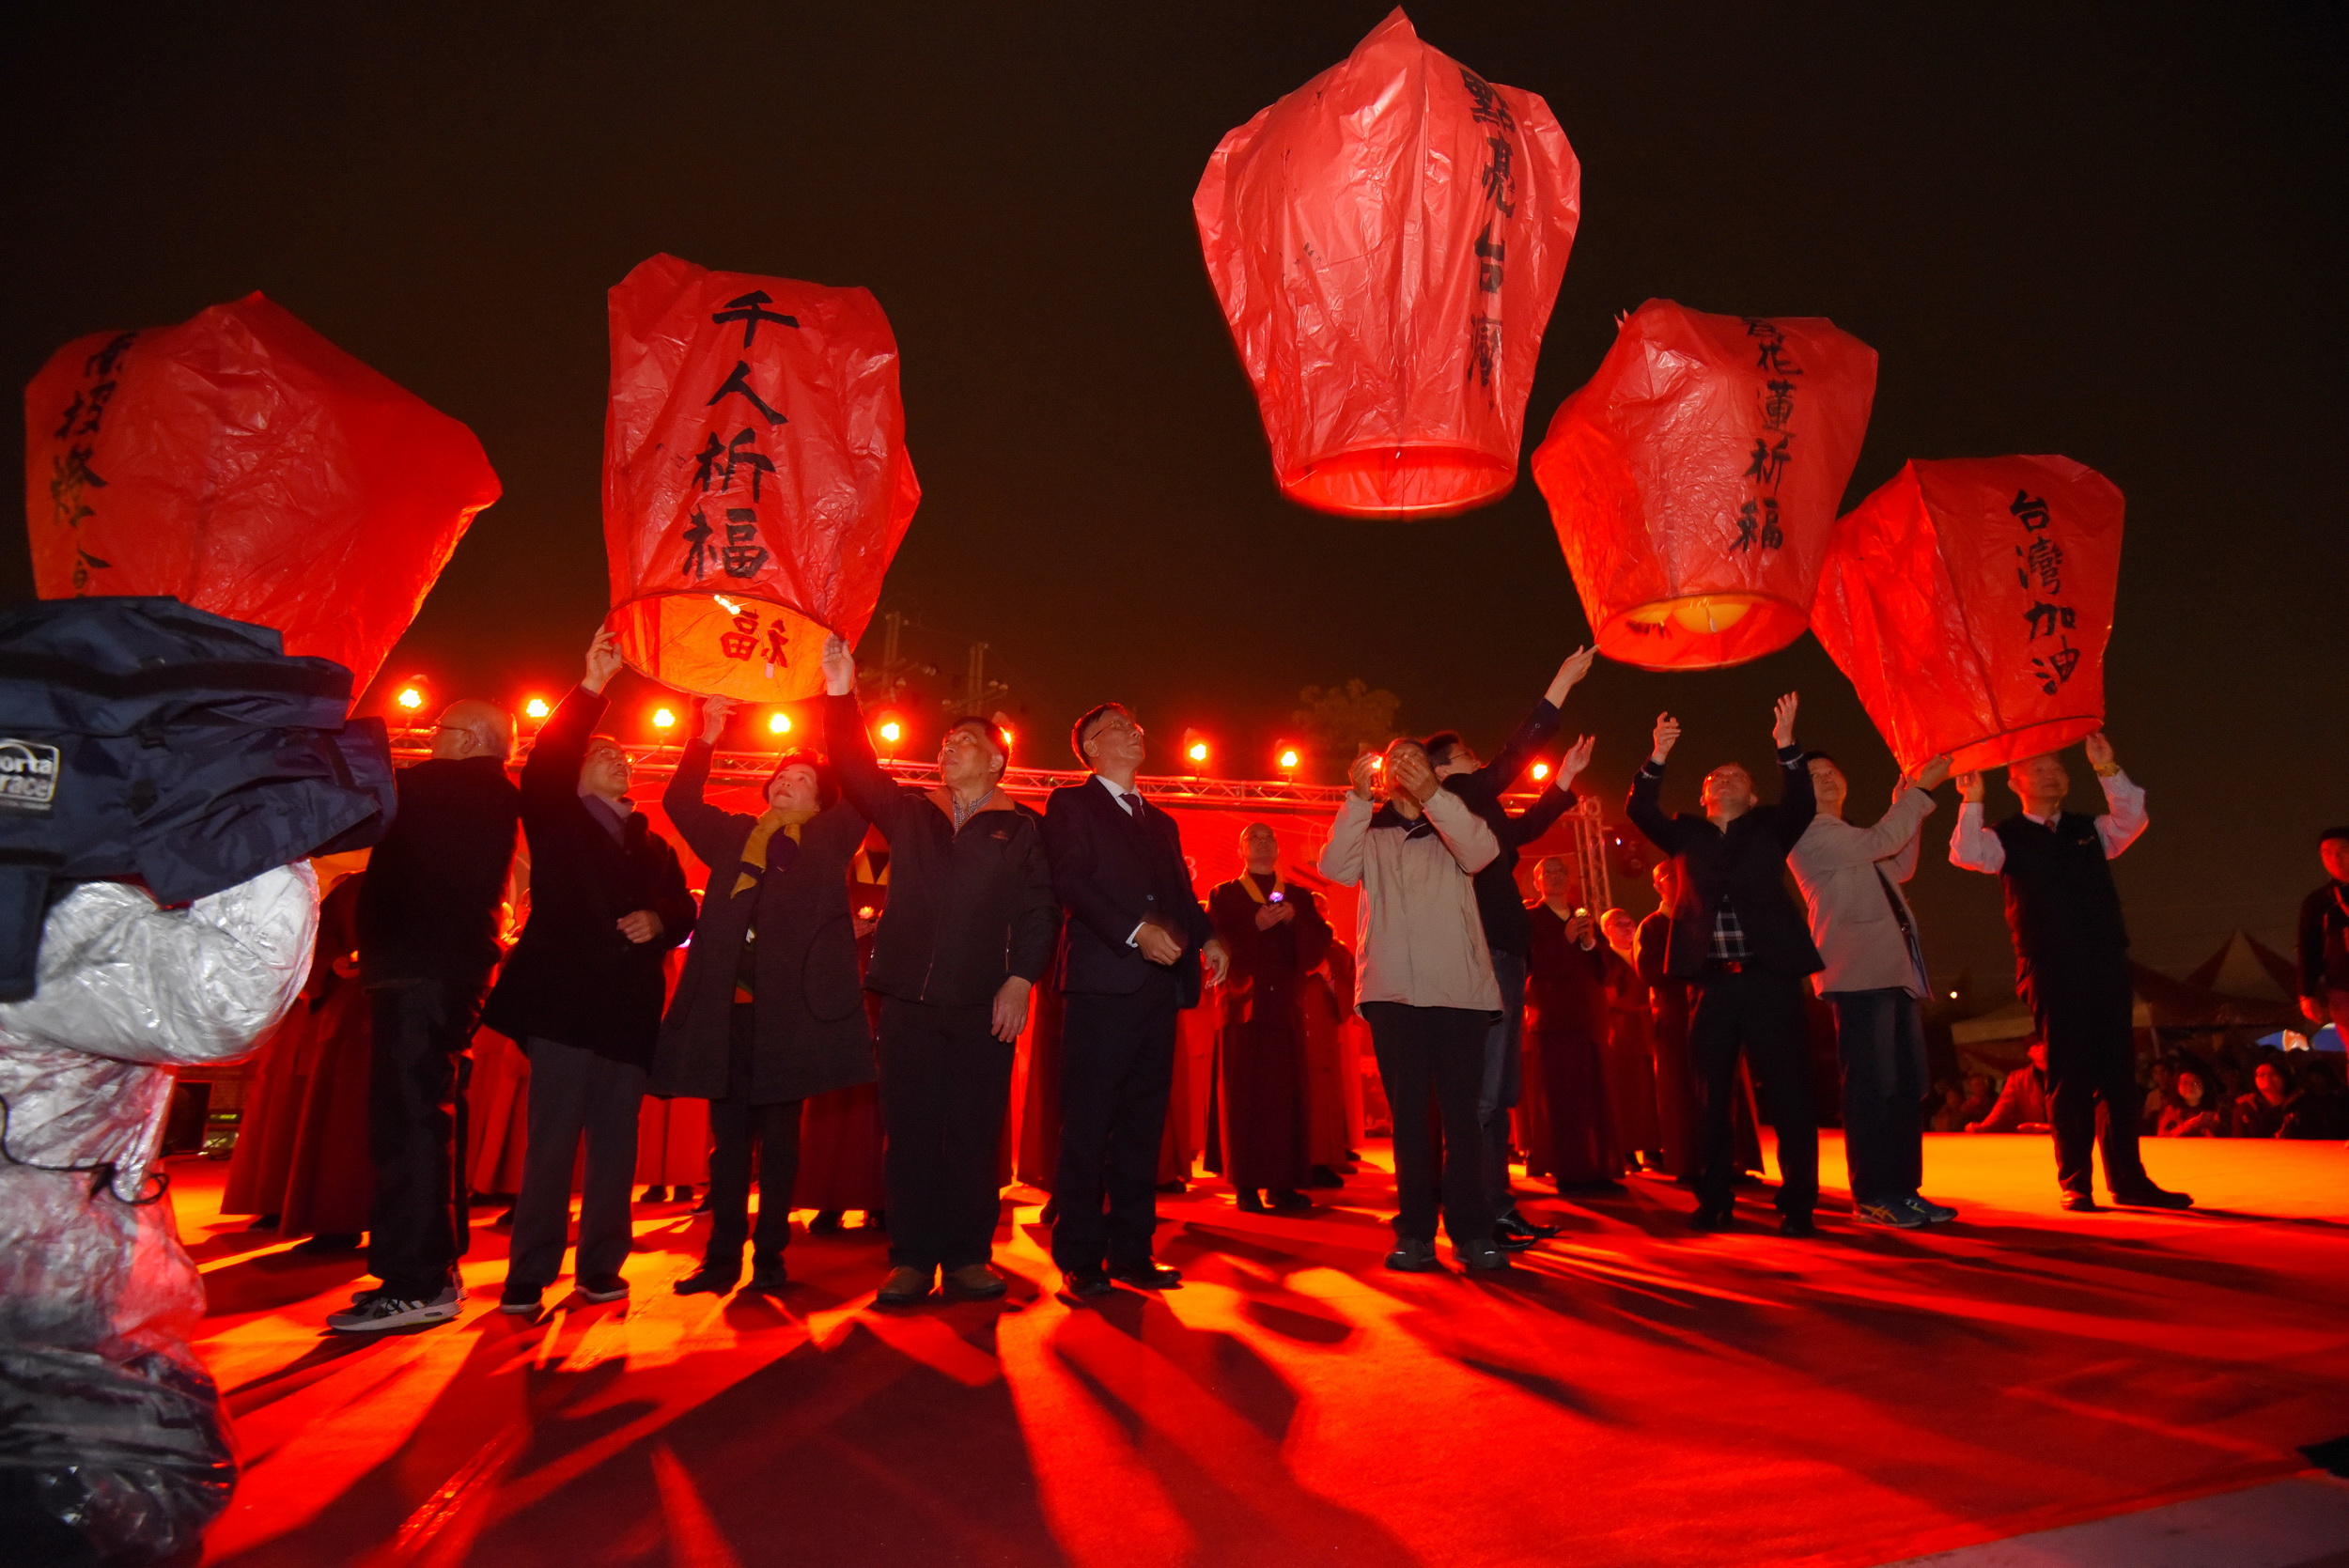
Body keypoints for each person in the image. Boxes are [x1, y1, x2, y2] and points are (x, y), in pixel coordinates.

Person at [820, 636, 1060, 1306]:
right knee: (911, 1130)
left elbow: (1042, 912)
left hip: (983, 1004)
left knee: (972, 1130)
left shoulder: (1021, 830)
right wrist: (842, 692)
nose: (948, 749)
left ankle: (967, 1255)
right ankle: (910, 1256)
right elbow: (854, 763)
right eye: (946, 742)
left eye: (965, 742)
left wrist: (1019, 979)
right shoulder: (912, 814)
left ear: (998, 760)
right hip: (906, 1000)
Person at [484, 629, 696, 1315]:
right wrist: (591, 688)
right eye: (603, 755)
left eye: (623, 757)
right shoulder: (555, 817)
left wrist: (661, 921)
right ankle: (529, 1269)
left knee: (616, 1147)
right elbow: (545, 762)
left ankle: (602, 1263)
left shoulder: (652, 843)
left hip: (629, 1010)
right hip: (564, 1004)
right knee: (551, 1141)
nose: (620, 762)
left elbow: (684, 907)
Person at [651, 695, 875, 1296]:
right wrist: (706, 736)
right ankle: (719, 1258)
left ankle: (771, 1257)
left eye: (802, 781)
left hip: (792, 1019)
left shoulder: (830, 838)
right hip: (728, 1015)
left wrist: (838, 708)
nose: (787, 785)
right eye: (782, 777)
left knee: (779, 1144)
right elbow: (679, 803)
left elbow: (861, 786)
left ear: (818, 800)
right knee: (728, 1149)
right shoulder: (731, 836)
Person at [330, 700, 521, 1332]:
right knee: (433, 1114)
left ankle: (416, 1280)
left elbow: (342, 817)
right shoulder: (495, 794)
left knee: (408, 1119)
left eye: (439, 729)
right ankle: (435, 1266)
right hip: (449, 969)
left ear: (468, 738)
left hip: (418, 970)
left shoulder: (433, 787)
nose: (429, 738)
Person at [1951, 735, 2191, 1211]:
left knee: (2118, 1072)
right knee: (2069, 1071)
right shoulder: (2005, 835)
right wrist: (1971, 802)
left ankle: (2129, 1178)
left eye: (2057, 766)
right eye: (2037, 768)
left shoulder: (2087, 829)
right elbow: (1966, 853)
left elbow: (2131, 821)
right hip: (2050, 962)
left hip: (2104, 956)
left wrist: (2107, 768)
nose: (2050, 773)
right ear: (2013, 781)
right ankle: (2076, 1179)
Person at [1045, 702, 1229, 1296]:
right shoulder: (1070, 804)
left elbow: (1181, 893)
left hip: (1157, 988)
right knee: (1089, 1121)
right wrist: (1134, 930)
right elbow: (1071, 881)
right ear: (1092, 749)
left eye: (1136, 725)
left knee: (1142, 1124)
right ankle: (1079, 1256)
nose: (1133, 733)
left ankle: (1132, 1250)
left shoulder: (1162, 822)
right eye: (1118, 728)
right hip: (1104, 981)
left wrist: (1208, 939)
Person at [1628, 694, 1826, 1235]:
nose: (1724, 778)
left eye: (1737, 774)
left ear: (1753, 792)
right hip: (1710, 984)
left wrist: (1786, 744)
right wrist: (1657, 757)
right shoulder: (1686, 834)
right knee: (1709, 1098)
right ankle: (1713, 1198)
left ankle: (1799, 1202)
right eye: (1716, 775)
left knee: (1789, 1093)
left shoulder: (1769, 827)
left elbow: (1803, 802)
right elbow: (1639, 810)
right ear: (1703, 794)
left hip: (1771, 979)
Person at [1424, 646, 1595, 1247]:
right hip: (1484, 955)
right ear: (1444, 770)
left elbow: (1523, 829)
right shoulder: (1455, 799)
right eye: (1468, 756)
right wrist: (1558, 688)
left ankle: (1493, 1203)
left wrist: (1567, 780)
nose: (1479, 763)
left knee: (1497, 1093)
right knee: (1482, 1094)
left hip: (1504, 954)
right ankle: (1475, 1210)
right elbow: (1512, 760)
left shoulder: (1478, 809)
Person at [1320, 737, 1507, 1272]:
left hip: (1459, 991)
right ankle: (1415, 1233)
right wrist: (1356, 800)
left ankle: (1473, 1232)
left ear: (1433, 771)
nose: (1404, 769)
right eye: (1394, 761)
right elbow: (1334, 867)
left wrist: (1434, 795)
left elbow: (1482, 853)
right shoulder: (1371, 828)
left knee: (1463, 1118)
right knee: (1407, 1119)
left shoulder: (1453, 820)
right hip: (1393, 993)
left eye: (1417, 761)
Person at [1785, 749, 1956, 1230]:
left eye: (1830, 770)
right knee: (1870, 1086)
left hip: (1895, 970)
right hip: (1857, 974)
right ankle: (1872, 1193)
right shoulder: (1808, 832)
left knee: (1905, 1087)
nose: (1823, 778)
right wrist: (1919, 795)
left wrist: (1904, 799)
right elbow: (1885, 838)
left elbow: (1898, 861)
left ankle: (1904, 1190)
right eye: (1812, 774)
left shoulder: (1854, 837)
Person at [1206, 824, 1332, 1214]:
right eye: (1254, 838)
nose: (1263, 842)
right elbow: (1213, 945)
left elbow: (1314, 953)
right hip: (1242, 1008)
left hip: (1284, 1010)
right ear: (1241, 850)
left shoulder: (1295, 895)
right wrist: (1253, 926)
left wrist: (1295, 920)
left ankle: (1282, 1185)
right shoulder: (1224, 895)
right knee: (1244, 1099)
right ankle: (1245, 1185)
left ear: (1278, 848)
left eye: (1269, 838)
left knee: (1284, 1100)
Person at [1524, 852, 1620, 1189]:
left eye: (1561, 871)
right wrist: (1563, 940)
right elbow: (1528, 966)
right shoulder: (1531, 919)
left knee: (1595, 1098)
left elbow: (1606, 971)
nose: (1555, 876)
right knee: (1564, 1099)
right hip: (1554, 1020)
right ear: (1536, 882)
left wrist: (1590, 943)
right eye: (1547, 872)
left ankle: (1598, 1168)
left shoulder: (1584, 918)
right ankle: (1570, 1172)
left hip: (1588, 1019)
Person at [2297, 828, 2349, 1041]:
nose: (2334, 858)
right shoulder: (2319, 902)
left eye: (2342, 851)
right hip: (2344, 988)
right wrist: (2306, 993)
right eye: (2326, 853)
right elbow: (2309, 948)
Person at [1967, 1041, 2053, 1132]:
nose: (2043, 1049)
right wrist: (1983, 1126)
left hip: (2065, 1135)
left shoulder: (2067, 1073)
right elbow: (2002, 1108)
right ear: (2031, 1051)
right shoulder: (2018, 1079)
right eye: (2039, 1045)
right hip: (2039, 1139)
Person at [2231, 1058, 2295, 1139]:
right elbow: (2239, 1139)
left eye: (2273, 1073)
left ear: (2284, 1077)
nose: (2267, 1077)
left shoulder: (2298, 1105)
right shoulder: (2246, 1108)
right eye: (2261, 1075)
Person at [2157, 1068, 2225, 1137]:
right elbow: (2163, 1138)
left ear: (2205, 1085)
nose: (2190, 1087)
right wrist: (2190, 1125)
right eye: (2184, 1082)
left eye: (2195, 1082)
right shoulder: (2170, 1111)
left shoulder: (2216, 1109)